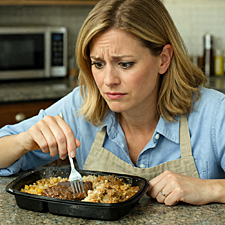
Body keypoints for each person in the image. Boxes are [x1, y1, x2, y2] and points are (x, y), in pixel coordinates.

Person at [1, 0, 225, 206]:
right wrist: (23, 140)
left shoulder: (214, 114)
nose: (108, 81)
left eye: (125, 64)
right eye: (98, 64)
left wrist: (213, 188)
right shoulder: (81, 105)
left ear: (163, 59)